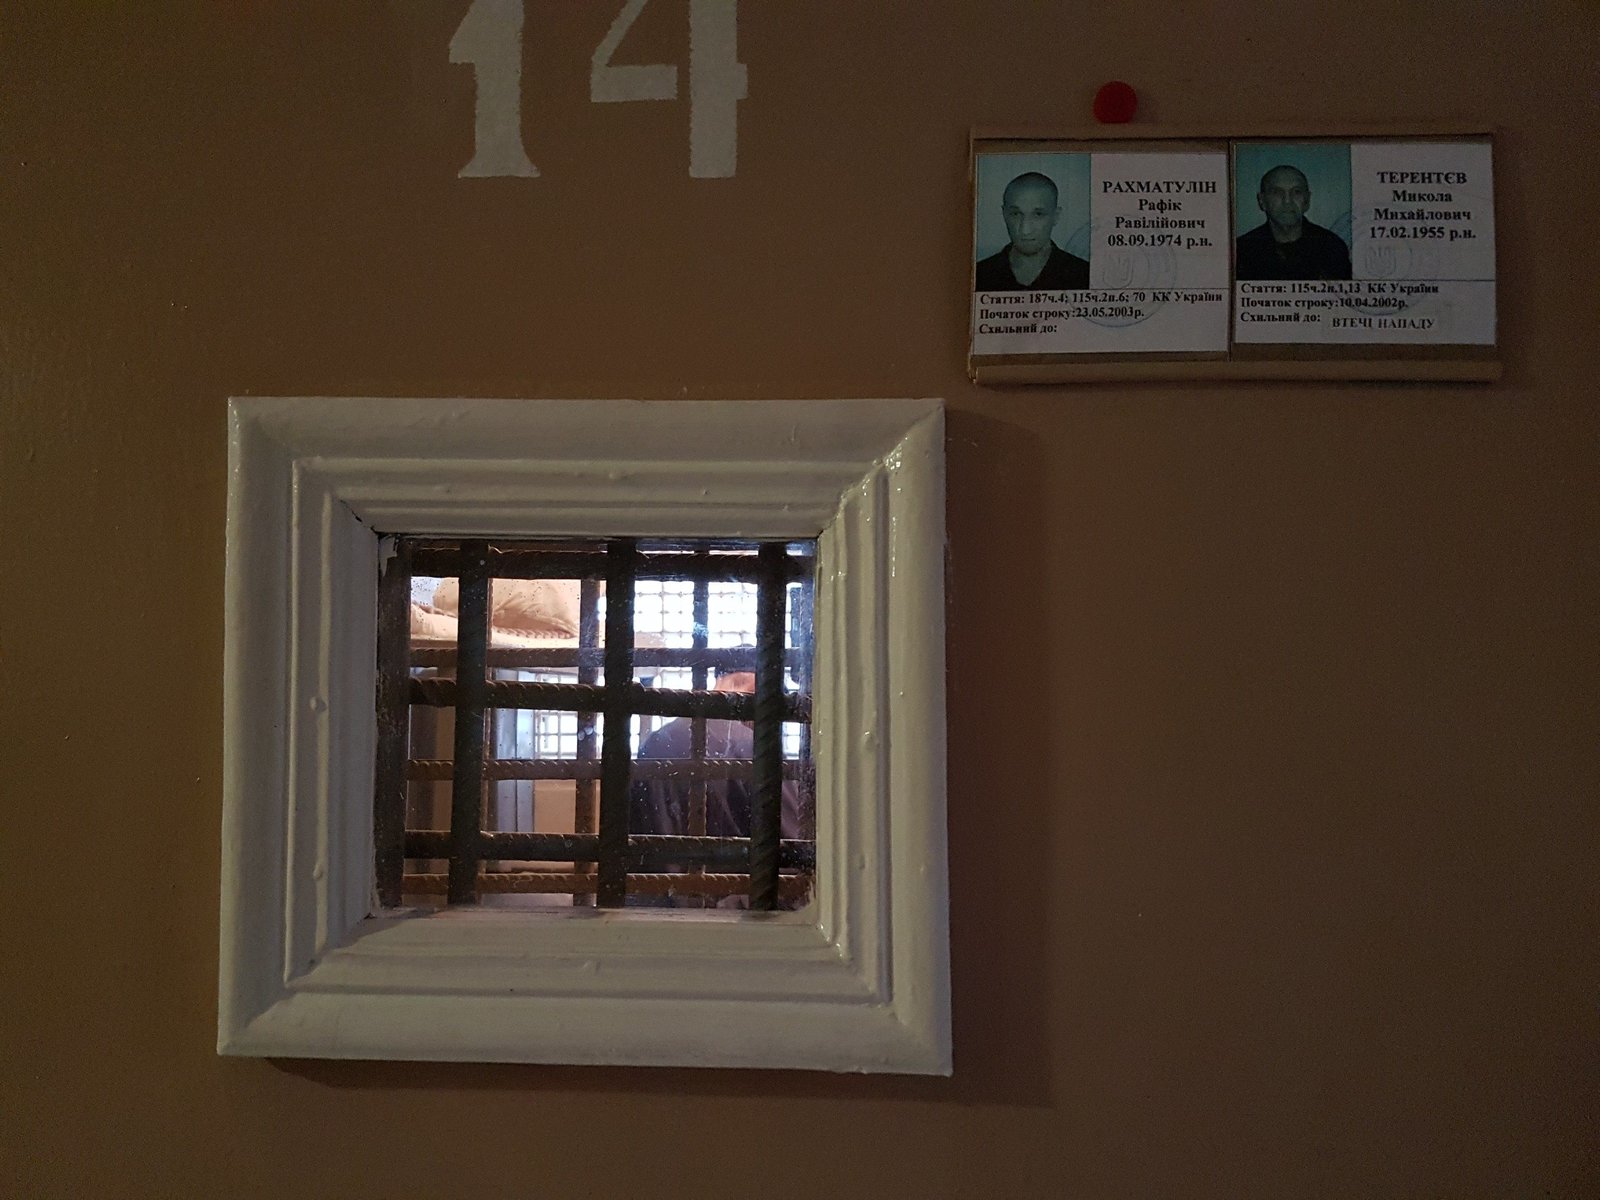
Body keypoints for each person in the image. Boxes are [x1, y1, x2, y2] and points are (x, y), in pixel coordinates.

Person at [628, 668, 810, 904]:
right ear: (756, 691)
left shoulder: (656, 742)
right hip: (731, 910)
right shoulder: (751, 746)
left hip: (655, 904)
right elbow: (795, 851)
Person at [975, 171, 1090, 291]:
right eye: (1016, 214)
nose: (1025, 230)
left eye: (1038, 214)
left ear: (1056, 216)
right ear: (1004, 214)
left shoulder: (1084, 276)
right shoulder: (978, 276)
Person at [1235, 164, 1352, 281]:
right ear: (1262, 201)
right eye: (1277, 192)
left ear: (1307, 200)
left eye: (1296, 192)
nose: (1287, 201)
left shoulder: (1331, 247)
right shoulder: (1241, 251)